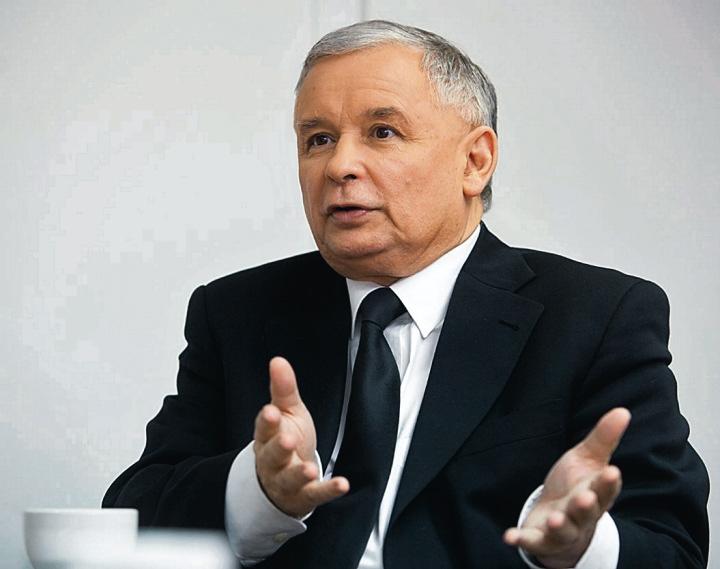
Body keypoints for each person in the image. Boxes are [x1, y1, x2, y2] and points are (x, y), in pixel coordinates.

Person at [103, 20, 709, 569]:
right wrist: (258, 492)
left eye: (382, 132)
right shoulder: (236, 312)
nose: (339, 165)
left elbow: (672, 544)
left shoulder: (596, 317)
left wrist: (580, 547)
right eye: (318, 139)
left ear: (475, 161)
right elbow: (132, 512)